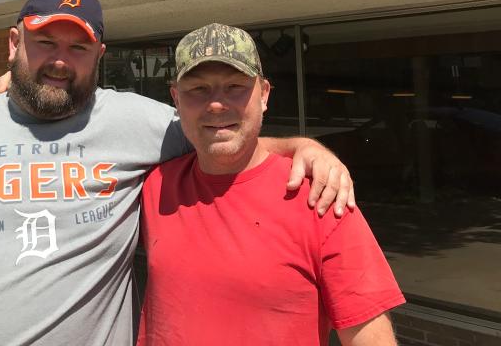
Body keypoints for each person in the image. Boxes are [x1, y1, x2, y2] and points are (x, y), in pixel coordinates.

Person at [0, 0, 354, 345]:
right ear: (14, 43)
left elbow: (220, 128)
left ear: (100, 56)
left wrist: (299, 148)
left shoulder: (137, 123)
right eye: (45, 41)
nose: (59, 59)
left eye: (78, 48)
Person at [137, 23, 404, 346]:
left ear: (264, 94)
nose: (217, 104)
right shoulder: (156, 185)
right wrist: (298, 143)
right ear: (176, 99)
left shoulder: (320, 197)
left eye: (235, 86)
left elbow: (371, 338)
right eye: (199, 89)